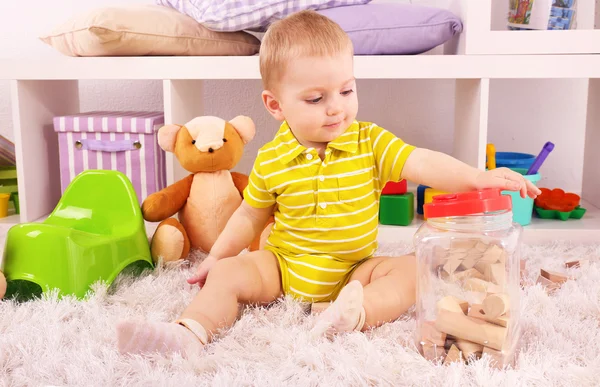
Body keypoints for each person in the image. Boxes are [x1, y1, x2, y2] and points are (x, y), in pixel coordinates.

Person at [116, 10, 540, 357]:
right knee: (227, 273)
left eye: (346, 90)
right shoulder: (272, 159)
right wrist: (216, 258)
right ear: (275, 105)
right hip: (283, 269)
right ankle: (189, 333)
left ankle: (353, 313)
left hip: (355, 271)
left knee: (412, 271)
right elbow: (248, 216)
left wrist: (479, 177)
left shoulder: (369, 141)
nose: (337, 108)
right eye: (316, 99)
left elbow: (423, 162)